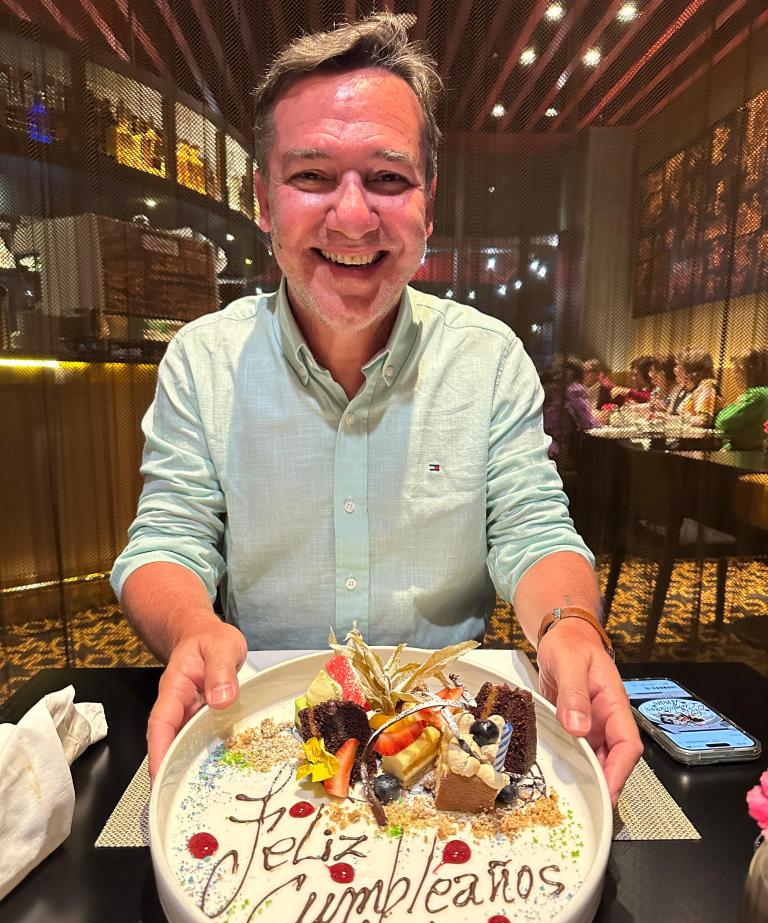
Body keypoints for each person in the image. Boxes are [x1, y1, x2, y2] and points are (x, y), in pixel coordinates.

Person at [111, 14, 641, 802]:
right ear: (263, 200)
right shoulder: (204, 359)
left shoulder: (488, 358)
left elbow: (532, 529)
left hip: (447, 729)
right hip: (265, 727)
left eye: (389, 179)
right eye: (312, 176)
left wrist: (571, 625)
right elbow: (167, 541)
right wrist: (193, 627)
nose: (354, 217)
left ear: (429, 203)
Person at [541, 355, 600, 464]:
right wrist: (600, 421)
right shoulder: (575, 389)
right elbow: (588, 423)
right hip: (560, 452)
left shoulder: (543, 388)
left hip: (538, 447)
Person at [716, 349, 768, 450]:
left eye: (737, 370)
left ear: (750, 371)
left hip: (743, 452)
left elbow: (722, 421)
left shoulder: (757, 395)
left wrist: (726, 409)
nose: (734, 375)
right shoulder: (763, 392)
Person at [674, 349, 720, 426]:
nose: (675, 369)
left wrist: (674, 420)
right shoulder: (689, 389)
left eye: (678, 365)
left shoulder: (707, 386)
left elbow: (704, 420)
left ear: (690, 370)